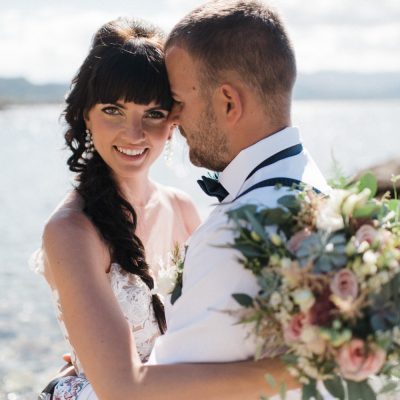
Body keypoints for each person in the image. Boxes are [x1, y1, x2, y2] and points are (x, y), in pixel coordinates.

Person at [41, 0, 337, 398]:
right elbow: (120, 387)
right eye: (113, 109)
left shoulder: (181, 208)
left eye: (154, 113)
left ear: (172, 120)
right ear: (86, 116)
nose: (134, 133)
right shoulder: (70, 231)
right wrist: (295, 369)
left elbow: (209, 329)